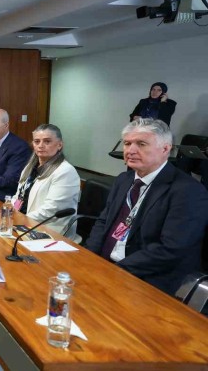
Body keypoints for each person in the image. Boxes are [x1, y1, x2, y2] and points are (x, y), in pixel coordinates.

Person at [86, 119, 208, 294]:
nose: (130, 150)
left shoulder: (188, 191)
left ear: (165, 149)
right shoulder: (123, 179)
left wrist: (116, 271)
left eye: (141, 144)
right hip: (105, 267)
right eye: (127, 143)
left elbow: (170, 249)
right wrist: (89, 257)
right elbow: (103, 222)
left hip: (147, 279)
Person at [11, 124, 81, 241]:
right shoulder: (30, 167)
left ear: (59, 145)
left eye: (47, 141)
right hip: (24, 223)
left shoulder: (66, 171)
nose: (40, 145)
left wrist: (19, 219)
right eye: (36, 141)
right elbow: (19, 195)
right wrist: (11, 211)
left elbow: (51, 210)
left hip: (50, 231)